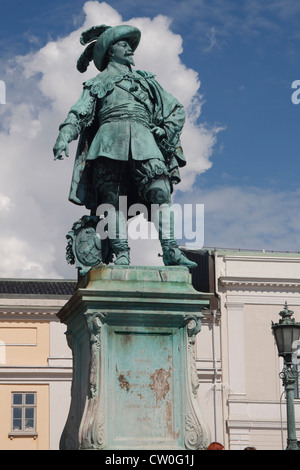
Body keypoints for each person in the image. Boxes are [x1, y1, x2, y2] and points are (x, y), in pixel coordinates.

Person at [53, 24, 196, 268]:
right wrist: (64, 136)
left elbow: (175, 108)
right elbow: (79, 112)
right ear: (110, 51)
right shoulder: (97, 83)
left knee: (160, 191)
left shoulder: (147, 81)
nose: (129, 49)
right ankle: (121, 254)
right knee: (112, 200)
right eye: (123, 44)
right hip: (107, 142)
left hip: (144, 139)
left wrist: (165, 129)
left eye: (130, 45)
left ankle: (171, 250)